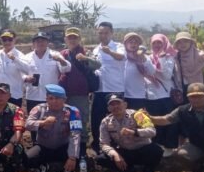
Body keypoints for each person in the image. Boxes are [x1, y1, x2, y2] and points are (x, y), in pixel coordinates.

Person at [97, 94, 163, 172]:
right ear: (108, 108)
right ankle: (128, 170)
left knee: (156, 150)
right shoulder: (105, 122)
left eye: (118, 103)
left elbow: (152, 131)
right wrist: (115, 155)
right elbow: (104, 144)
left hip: (142, 150)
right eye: (112, 104)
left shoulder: (138, 115)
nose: (115, 106)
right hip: (125, 152)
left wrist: (135, 132)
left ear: (125, 104)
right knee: (101, 158)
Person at [25, 84, 82, 172]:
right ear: (46, 99)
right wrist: (43, 123)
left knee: (79, 156)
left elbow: (75, 134)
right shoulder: (39, 109)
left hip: (63, 147)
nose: (54, 101)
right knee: (26, 159)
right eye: (51, 98)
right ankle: (43, 167)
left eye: (58, 98)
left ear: (65, 99)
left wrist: (72, 157)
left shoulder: (73, 111)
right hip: (43, 147)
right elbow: (27, 124)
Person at [59, 27, 100, 155]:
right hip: (64, 95)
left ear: (79, 39)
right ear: (65, 39)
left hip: (80, 95)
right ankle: (67, 150)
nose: (72, 40)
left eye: (75, 38)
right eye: (69, 38)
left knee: (80, 120)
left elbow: (98, 65)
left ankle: (81, 151)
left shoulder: (85, 52)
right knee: (64, 121)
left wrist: (85, 58)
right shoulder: (62, 54)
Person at [89, 21, 126, 152]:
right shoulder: (95, 49)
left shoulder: (118, 46)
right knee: (97, 118)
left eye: (106, 33)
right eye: (100, 33)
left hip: (115, 89)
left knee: (117, 118)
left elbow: (121, 57)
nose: (103, 35)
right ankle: (98, 145)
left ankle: (119, 144)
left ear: (111, 33)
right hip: (99, 89)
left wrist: (110, 52)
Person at [23, 31, 71, 114]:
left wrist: (60, 60)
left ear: (47, 42)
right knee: (33, 119)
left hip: (52, 97)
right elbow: (20, 73)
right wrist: (25, 78)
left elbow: (66, 69)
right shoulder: (27, 57)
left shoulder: (55, 54)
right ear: (33, 43)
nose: (40, 43)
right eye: (37, 41)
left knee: (52, 120)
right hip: (32, 95)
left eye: (43, 41)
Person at [145, 33, 177, 148]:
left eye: (159, 42)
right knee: (154, 123)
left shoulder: (169, 58)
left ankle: (169, 147)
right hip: (151, 96)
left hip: (165, 95)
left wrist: (162, 58)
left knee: (168, 122)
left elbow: (167, 76)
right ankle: (156, 147)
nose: (157, 45)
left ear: (165, 44)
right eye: (154, 43)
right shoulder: (148, 58)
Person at [0, 29, 31, 107]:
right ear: (1, 40)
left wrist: (14, 59)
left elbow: (27, 70)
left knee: (14, 115)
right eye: (4, 40)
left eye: (10, 39)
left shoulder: (20, 55)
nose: (7, 42)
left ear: (15, 40)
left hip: (14, 95)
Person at [172, 31, 204, 97]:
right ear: (177, 45)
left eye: (185, 41)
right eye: (179, 42)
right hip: (181, 91)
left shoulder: (199, 54)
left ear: (191, 42)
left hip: (198, 89)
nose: (183, 44)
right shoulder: (175, 57)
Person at [123, 32, 149, 110]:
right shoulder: (121, 57)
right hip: (123, 96)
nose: (133, 44)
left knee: (138, 117)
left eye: (135, 42)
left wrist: (143, 59)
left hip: (138, 96)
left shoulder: (144, 57)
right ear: (125, 44)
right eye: (130, 42)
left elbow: (151, 71)